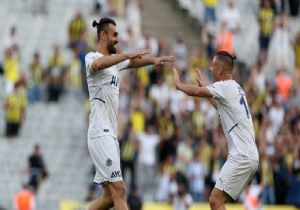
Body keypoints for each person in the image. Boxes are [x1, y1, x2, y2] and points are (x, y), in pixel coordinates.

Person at [84, 17, 174, 210]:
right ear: (103, 35)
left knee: (108, 198)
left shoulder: (114, 64)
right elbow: (100, 65)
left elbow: (134, 62)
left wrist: (154, 60)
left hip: (110, 134)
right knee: (120, 189)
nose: (118, 38)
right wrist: (126, 55)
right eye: (115, 34)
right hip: (100, 132)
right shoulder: (91, 58)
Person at [171, 51, 259, 210]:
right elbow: (219, 106)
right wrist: (206, 87)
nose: (210, 69)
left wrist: (179, 85)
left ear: (219, 70)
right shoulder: (235, 87)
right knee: (217, 201)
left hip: (241, 155)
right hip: (247, 154)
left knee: (215, 200)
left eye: (212, 66)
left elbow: (197, 92)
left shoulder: (225, 87)